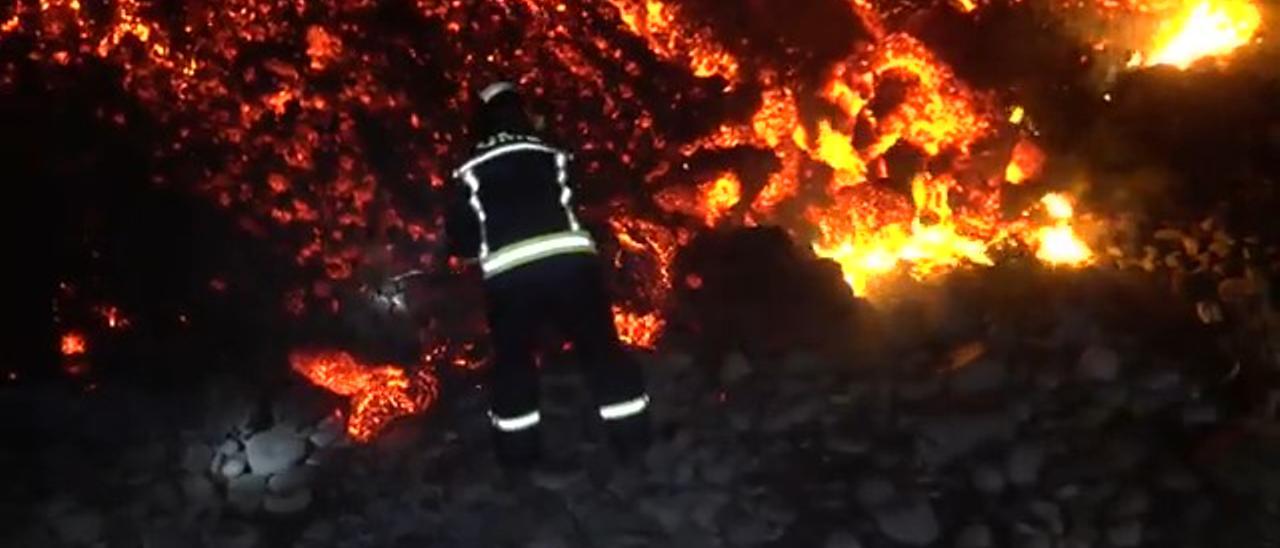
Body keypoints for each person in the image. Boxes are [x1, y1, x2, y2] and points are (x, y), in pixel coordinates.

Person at [446, 81, 650, 468]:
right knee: (602, 348)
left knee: (515, 361)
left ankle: (519, 455)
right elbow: (579, 197)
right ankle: (632, 440)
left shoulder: (468, 169)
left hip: (510, 277)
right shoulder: (552, 152)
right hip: (571, 266)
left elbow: (462, 242)